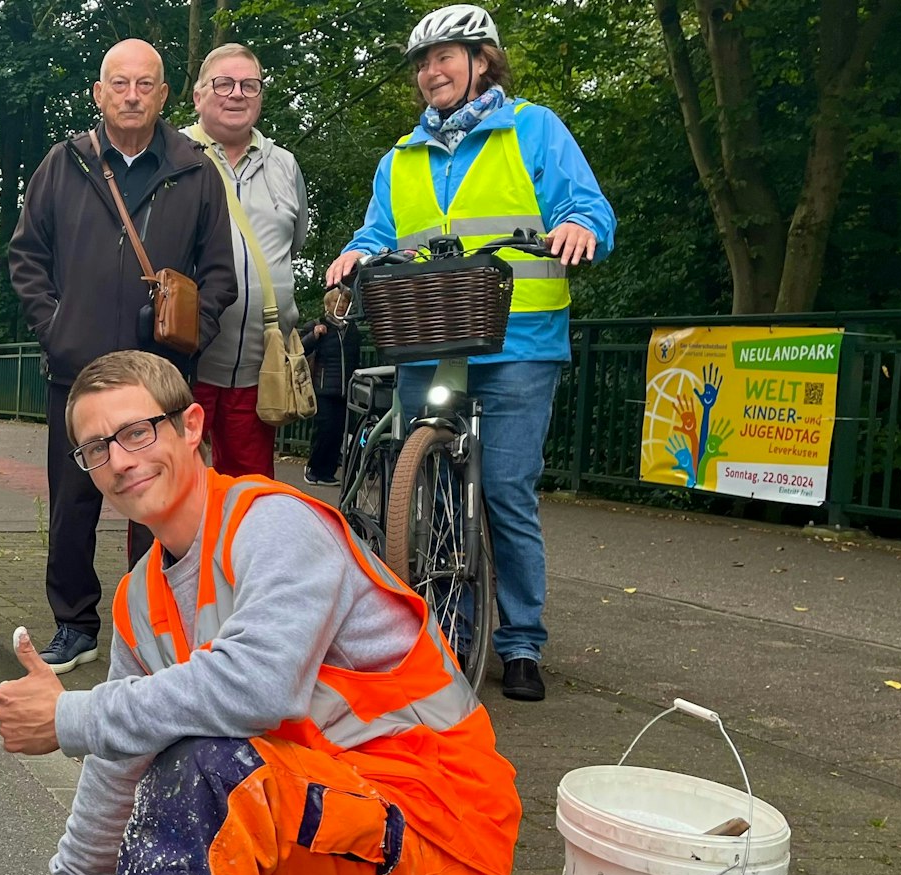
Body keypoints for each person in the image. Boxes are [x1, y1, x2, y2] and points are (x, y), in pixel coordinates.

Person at [0, 350, 521, 875]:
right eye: (96, 447)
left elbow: (255, 685)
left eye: (136, 431)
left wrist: (68, 715)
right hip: (326, 829)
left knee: (201, 768)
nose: (119, 459)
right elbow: (119, 764)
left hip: (439, 826)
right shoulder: (143, 598)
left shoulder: (273, 525)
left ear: (192, 425)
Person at [324, 3, 615, 703]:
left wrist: (578, 226)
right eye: (423, 63)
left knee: (507, 490)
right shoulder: (400, 158)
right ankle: (446, 626)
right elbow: (380, 231)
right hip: (429, 335)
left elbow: (590, 209)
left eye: (446, 56)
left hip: (520, 341)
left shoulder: (534, 129)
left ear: (482, 60)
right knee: (428, 484)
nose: (432, 71)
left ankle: (519, 640)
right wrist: (357, 251)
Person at [8, 38, 237, 675]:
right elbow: (25, 257)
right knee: (73, 500)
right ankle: (75, 626)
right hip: (76, 371)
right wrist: (56, 328)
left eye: (145, 85)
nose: (132, 95)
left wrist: (188, 335)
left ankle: (156, 626)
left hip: (158, 379)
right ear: (99, 93)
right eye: (120, 84)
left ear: (164, 96)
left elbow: (220, 273)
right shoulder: (64, 164)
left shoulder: (195, 169)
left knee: (160, 502)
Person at [181, 43, 309, 480]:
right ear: (199, 96)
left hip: (260, 367)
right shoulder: (173, 157)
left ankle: (237, 554)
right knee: (173, 488)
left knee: (251, 494)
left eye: (248, 85)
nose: (236, 94)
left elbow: (291, 245)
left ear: (260, 96)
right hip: (186, 360)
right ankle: (172, 555)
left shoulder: (285, 165)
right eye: (223, 83)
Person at [300, 287, 362, 486]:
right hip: (324, 387)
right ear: (328, 305)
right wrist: (313, 336)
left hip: (345, 389)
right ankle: (313, 469)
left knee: (337, 432)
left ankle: (327, 472)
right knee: (323, 430)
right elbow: (299, 348)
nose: (341, 306)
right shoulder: (319, 324)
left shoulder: (351, 329)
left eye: (344, 302)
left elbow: (355, 358)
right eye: (336, 302)